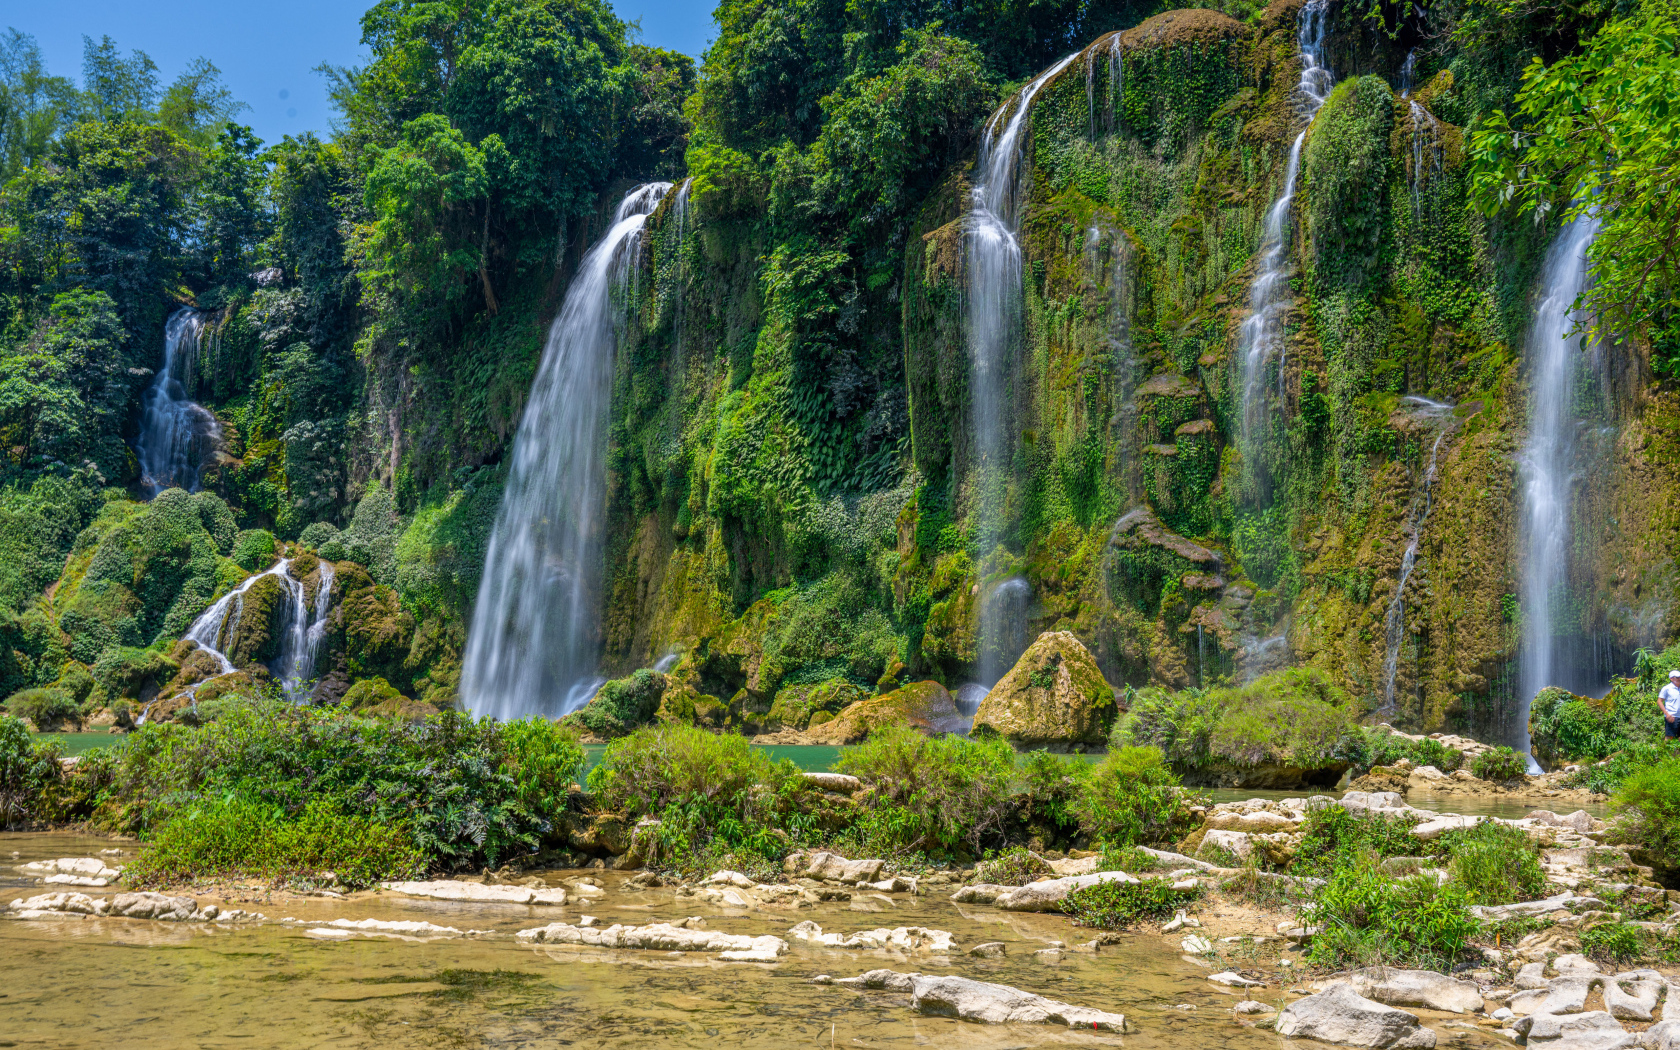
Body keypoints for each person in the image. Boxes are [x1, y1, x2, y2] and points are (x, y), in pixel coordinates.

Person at [1658, 669, 1680, 740]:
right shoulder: (1667, 688)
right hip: (1672, 716)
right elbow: (1659, 701)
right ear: (1671, 679)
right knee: (1669, 737)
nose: (1679, 678)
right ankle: (1664, 751)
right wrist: (1667, 714)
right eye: (1677, 677)